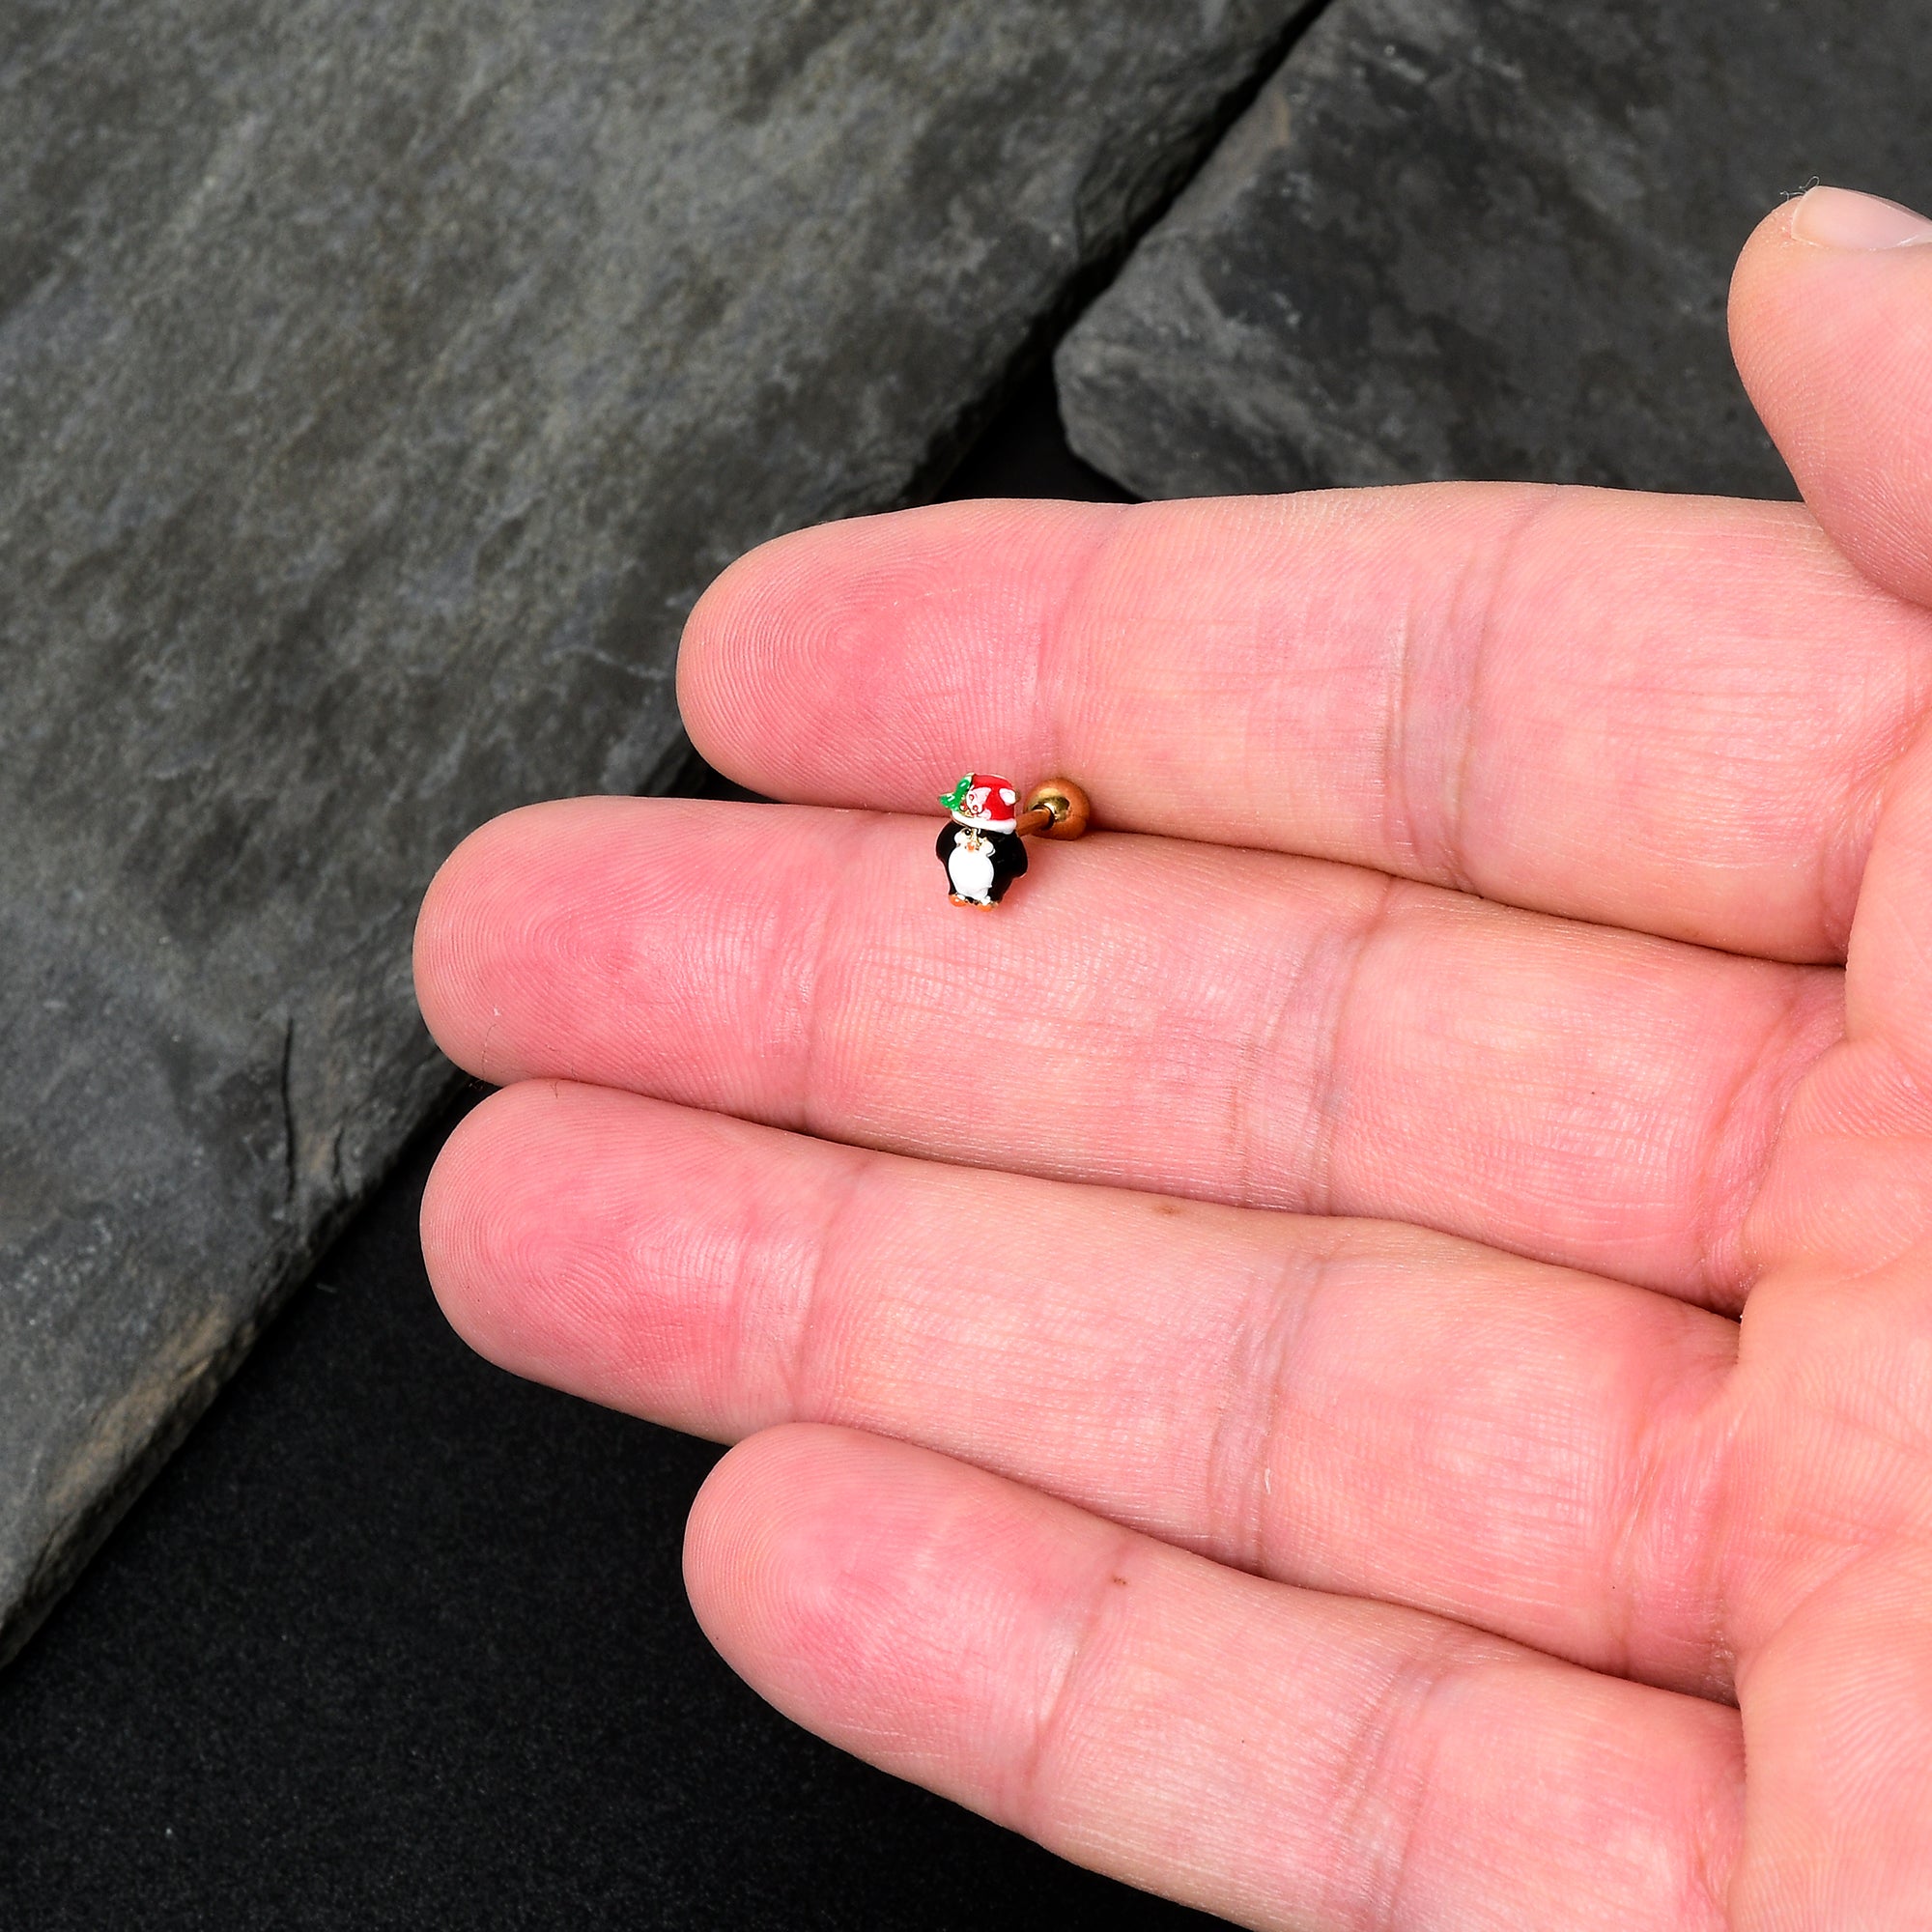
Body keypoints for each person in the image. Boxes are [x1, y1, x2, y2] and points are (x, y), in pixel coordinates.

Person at [411, 186, 1932, 1925]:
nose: (1004, 827)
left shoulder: (1025, 820)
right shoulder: (1003, 826)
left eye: (1006, 823)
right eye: (1003, 824)